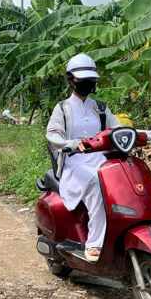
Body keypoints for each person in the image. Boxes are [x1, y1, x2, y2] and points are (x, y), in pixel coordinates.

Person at [46, 53, 119, 262]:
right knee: (97, 182)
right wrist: (69, 143)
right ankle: (94, 243)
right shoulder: (63, 108)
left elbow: (118, 128)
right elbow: (52, 134)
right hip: (74, 162)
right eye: (83, 80)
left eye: (90, 80)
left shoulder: (101, 108)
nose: (87, 84)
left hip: (100, 158)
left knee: (122, 178)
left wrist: (147, 134)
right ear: (71, 80)